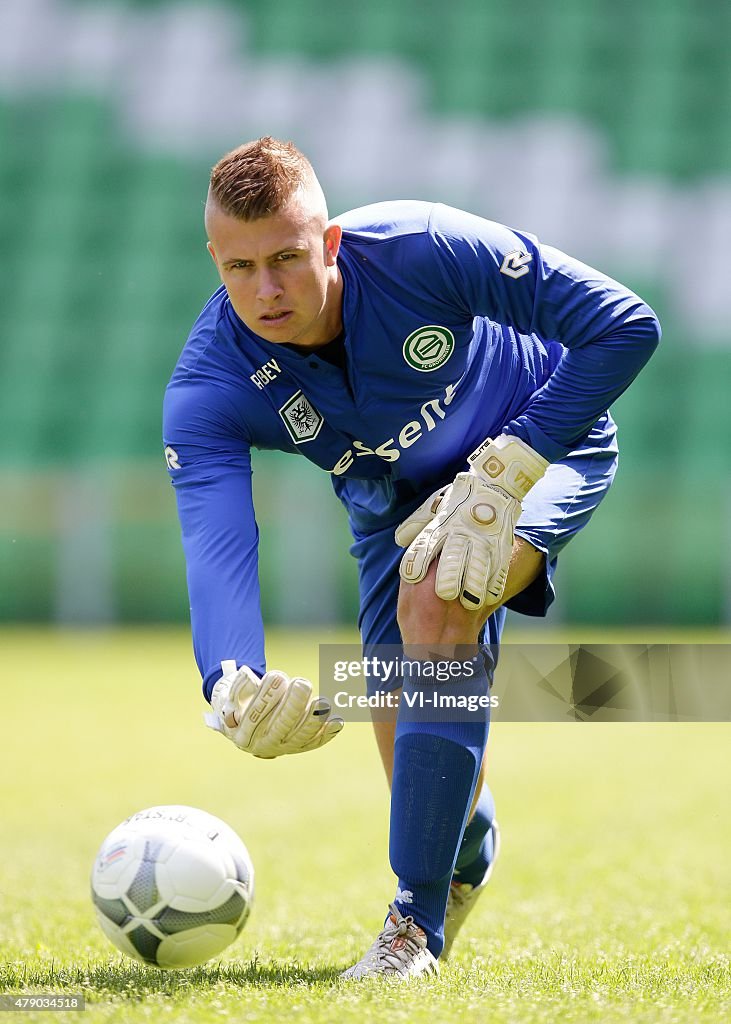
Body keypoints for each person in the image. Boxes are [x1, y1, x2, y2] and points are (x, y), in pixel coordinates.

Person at [163, 137, 660, 979]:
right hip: (390, 511)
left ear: (329, 242)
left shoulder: (423, 247)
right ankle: (465, 841)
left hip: (538, 446)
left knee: (435, 600)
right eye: (240, 267)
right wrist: (229, 680)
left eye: (286, 257)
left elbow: (624, 325)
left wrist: (507, 470)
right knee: (415, 763)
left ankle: (412, 927)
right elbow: (216, 544)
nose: (267, 290)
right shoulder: (209, 384)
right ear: (214, 259)